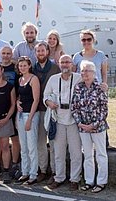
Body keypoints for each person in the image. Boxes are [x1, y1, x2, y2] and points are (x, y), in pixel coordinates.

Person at [73, 30, 116, 151]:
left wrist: (104, 85)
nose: (86, 42)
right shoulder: (77, 57)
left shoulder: (101, 55)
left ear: (93, 40)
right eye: (84, 40)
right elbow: (75, 73)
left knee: (100, 114)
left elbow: (104, 72)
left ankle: (105, 143)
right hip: (83, 90)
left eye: (89, 39)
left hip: (97, 89)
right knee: (83, 113)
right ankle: (83, 143)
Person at [44, 55, 82, 191]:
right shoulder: (53, 79)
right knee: (58, 152)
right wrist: (49, 102)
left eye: (68, 62)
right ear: (59, 64)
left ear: (72, 64)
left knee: (76, 152)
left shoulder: (79, 78)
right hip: (58, 119)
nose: (65, 64)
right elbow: (46, 95)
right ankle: (59, 178)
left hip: (74, 121)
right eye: (63, 62)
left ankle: (75, 179)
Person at [71, 60, 109, 193]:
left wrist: (94, 125)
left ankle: (101, 182)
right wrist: (80, 123)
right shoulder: (78, 87)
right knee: (87, 155)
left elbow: (104, 109)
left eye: (87, 71)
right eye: (82, 71)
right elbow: (74, 107)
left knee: (101, 154)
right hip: (82, 127)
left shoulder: (100, 88)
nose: (84, 73)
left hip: (98, 127)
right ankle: (89, 181)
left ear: (94, 73)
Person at [0, 46, 21, 179]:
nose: (6, 55)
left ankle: (14, 164)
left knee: (14, 138)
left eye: (8, 53)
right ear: (0, 54)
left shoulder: (15, 68)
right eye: (3, 53)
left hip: (13, 107)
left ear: (11, 54)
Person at [32, 42, 60, 183]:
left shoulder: (55, 68)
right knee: (40, 142)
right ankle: (42, 170)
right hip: (37, 110)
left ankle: (55, 172)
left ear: (47, 52)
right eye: (38, 51)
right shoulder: (32, 69)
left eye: (43, 51)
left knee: (54, 141)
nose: (41, 53)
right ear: (35, 53)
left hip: (53, 110)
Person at [15, 56, 40, 185]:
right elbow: (20, 96)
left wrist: (30, 119)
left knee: (31, 146)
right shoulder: (20, 79)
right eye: (20, 65)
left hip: (31, 115)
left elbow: (36, 100)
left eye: (24, 65)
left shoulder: (33, 79)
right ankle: (25, 171)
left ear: (29, 66)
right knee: (23, 146)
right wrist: (17, 102)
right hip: (20, 115)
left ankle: (33, 174)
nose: (22, 67)